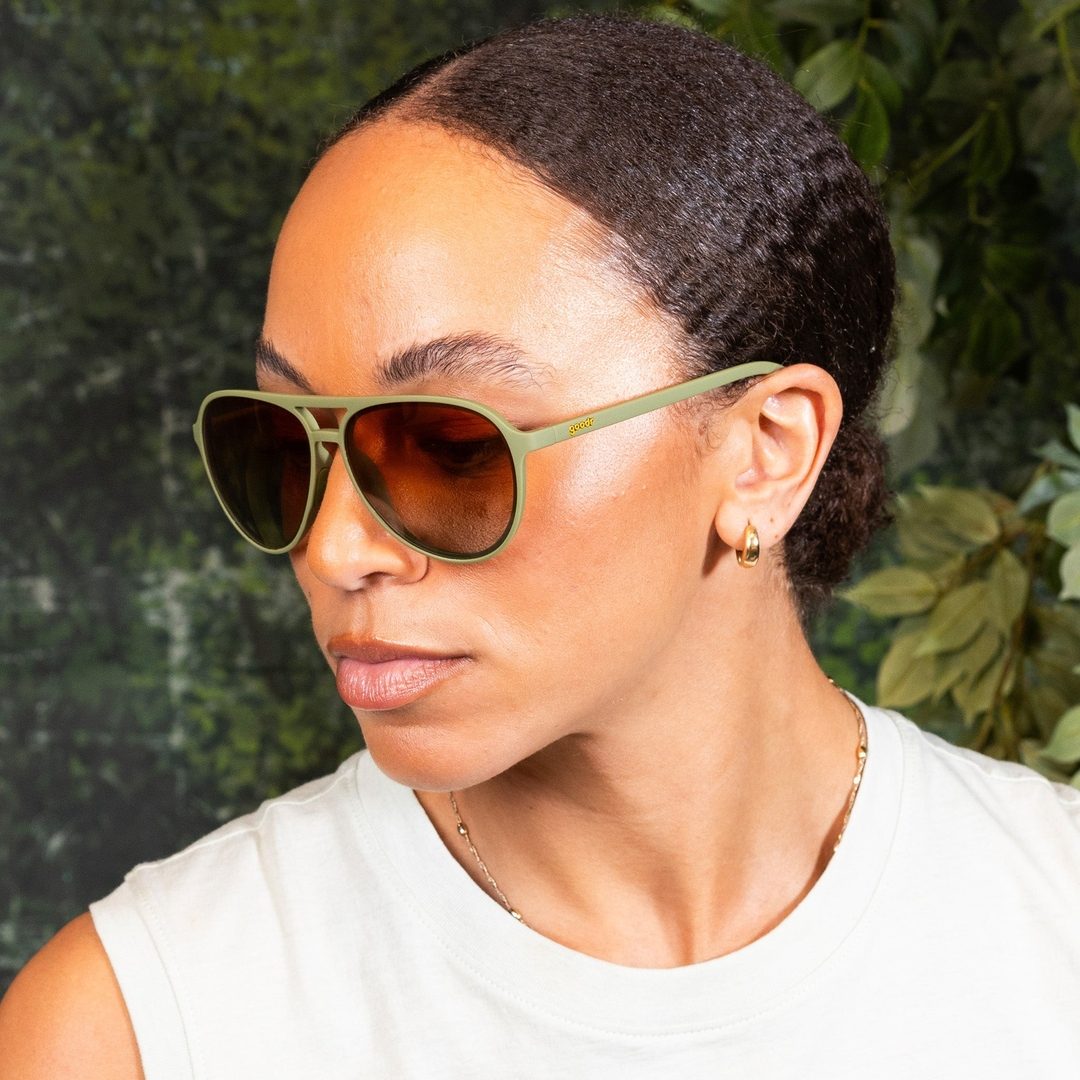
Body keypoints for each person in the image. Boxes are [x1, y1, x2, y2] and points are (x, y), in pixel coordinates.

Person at [2, 11, 1078, 1078]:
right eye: (286, 445)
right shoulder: (136, 1030)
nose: (334, 548)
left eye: (452, 447)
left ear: (765, 452)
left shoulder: (1050, 925)